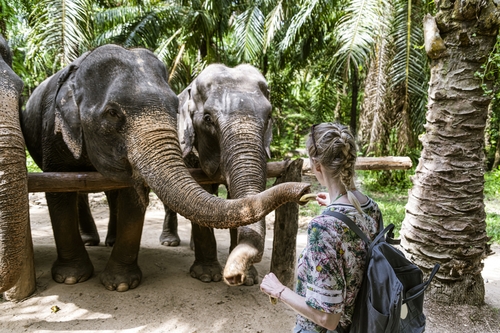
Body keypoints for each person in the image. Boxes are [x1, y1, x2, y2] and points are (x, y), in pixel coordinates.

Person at [260, 122, 382, 333]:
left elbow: (327, 318)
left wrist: (278, 290)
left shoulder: (323, 228)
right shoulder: (371, 208)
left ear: (317, 166)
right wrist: (335, 207)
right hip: (361, 323)